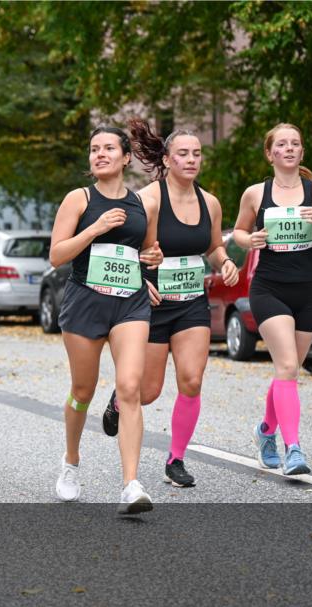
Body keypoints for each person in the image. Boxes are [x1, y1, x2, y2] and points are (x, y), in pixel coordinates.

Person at [101, 119, 239, 488]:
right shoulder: (149, 199)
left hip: (193, 303)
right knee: (147, 392)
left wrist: (224, 262)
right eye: (183, 154)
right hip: (153, 303)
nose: (191, 160)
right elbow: (126, 248)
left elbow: (212, 246)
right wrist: (140, 280)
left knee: (192, 381)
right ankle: (119, 400)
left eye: (196, 154)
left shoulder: (209, 201)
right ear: (167, 158)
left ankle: (176, 459)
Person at [48, 126, 162, 514]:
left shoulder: (142, 206)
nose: (100, 154)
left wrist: (151, 266)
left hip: (129, 305)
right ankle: (71, 461)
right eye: (94, 149)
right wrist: (95, 228)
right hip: (85, 303)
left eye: (109, 148)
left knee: (130, 388)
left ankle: (131, 484)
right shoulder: (78, 199)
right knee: (83, 390)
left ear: (126, 157)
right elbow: (57, 255)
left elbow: (148, 251)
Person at [232, 123, 312, 475]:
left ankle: (265, 430)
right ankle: (293, 449)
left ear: (301, 151)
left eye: (296, 143)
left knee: (289, 370)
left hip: (308, 292)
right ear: (270, 154)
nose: (290, 148)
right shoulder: (255, 193)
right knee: (285, 368)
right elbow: (237, 231)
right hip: (269, 289)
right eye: (282, 144)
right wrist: (249, 241)